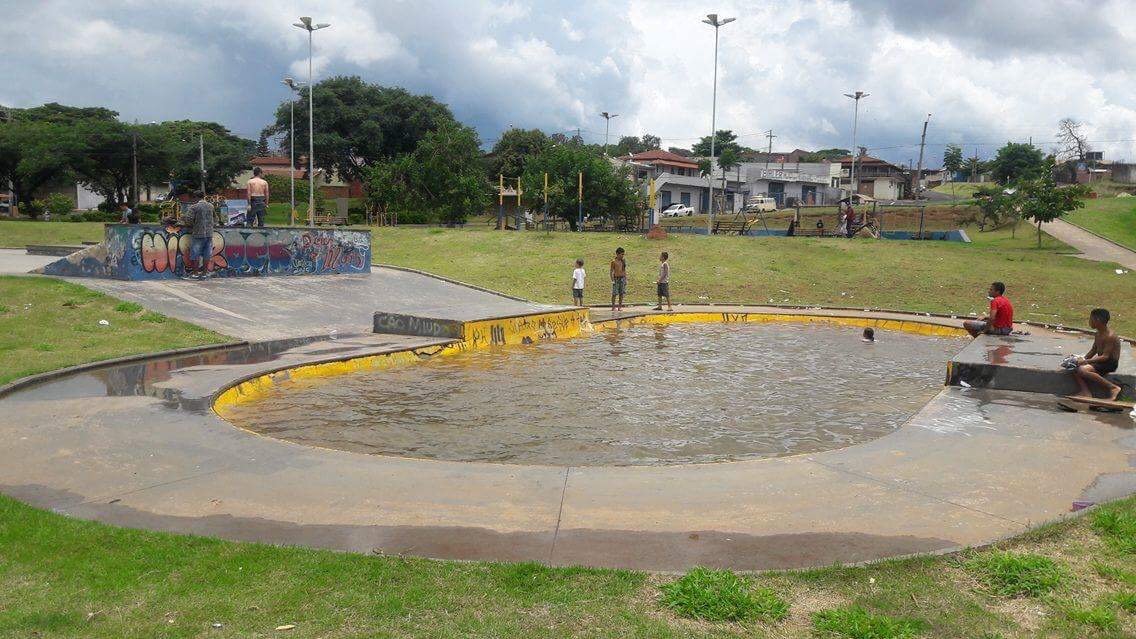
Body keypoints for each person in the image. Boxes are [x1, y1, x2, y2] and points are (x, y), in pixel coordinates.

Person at [1072, 308, 1123, 400]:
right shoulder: (1098, 333)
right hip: (1101, 361)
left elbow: (1105, 357)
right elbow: (1093, 350)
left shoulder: (1110, 336)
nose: (1089, 322)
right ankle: (1085, 392)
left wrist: (1086, 361)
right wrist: (1082, 359)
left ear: (1097, 320)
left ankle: (1113, 387)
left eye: (1091, 319)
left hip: (1109, 363)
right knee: (1075, 367)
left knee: (1082, 370)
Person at [184, 190, 215, 278]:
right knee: (206, 254)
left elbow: (189, 220)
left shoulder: (194, 207)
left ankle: (195, 273)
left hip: (198, 233)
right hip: (209, 234)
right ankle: (205, 273)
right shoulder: (211, 206)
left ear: (195, 197)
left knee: (195, 253)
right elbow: (215, 218)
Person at [610, 247, 627, 313]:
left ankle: (620, 306)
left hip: (622, 278)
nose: (622, 256)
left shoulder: (623, 261)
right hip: (616, 279)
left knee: (621, 293)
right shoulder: (613, 262)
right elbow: (611, 271)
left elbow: (624, 270)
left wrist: (625, 279)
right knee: (614, 293)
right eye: (621, 254)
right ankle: (613, 306)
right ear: (617, 254)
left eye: (623, 254)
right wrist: (612, 280)